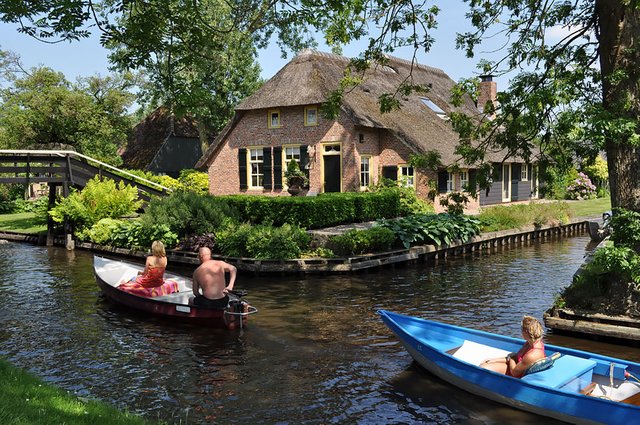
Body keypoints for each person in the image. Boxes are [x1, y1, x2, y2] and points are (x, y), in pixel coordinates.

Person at [479, 316, 546, 378]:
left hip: (516, 374)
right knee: (486, 363)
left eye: (521, 329)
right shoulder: (529, 343)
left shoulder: (533, 354)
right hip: (514, 366)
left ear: (525, 332)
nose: (521, 332)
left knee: (483, 368)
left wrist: (512, 357)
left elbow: (514, 372)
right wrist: (493, 360)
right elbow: (516, 357)